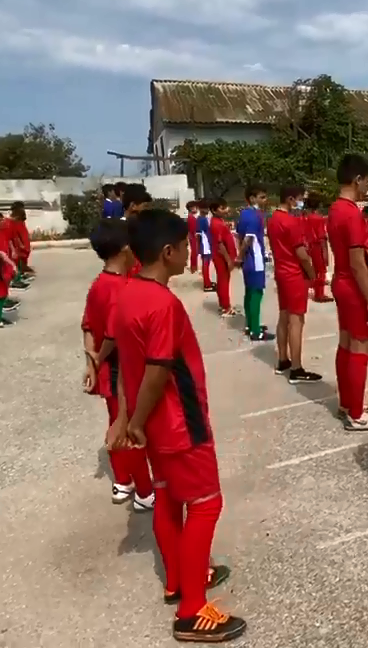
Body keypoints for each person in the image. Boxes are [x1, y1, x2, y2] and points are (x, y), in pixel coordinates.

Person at [109, 208, 245, 643]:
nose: (189, 252)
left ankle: (178, 580)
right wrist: (136, 420)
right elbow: (157, 368)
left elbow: (125, 363)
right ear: (167, 252)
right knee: (206, 504)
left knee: (168, 500)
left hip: (153, 427)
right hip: (179, 423)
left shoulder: (125, 293)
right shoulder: (162, 303)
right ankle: (192, 610)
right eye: (185, 246)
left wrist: (127, 420)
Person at [82, 219, 155, 512]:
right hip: (119, 369)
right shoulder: (120, 288)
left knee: (115, 421)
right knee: (128, 429)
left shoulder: (98, 284)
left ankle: (123, 481)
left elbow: (87, 326)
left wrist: (90, 360)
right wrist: (100, 356)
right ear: (126, 249)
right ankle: (146, 492)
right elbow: (113, 332)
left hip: (105, 369)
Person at [328, 154, 368, 431]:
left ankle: (347, 402)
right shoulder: (351, 213)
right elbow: (357, 262)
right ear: (357, 180)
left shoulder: (335, 209)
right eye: (367, 181)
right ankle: (356, 413)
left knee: (346, 343)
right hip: (353, 286)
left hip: (340, 282)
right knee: (360, 346)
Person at [268, 184, 322, 384]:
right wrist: (312, 273)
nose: (301, 203)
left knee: (284, 316)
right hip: (294, 274)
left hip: (281, 272)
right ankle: (297, 368)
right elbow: (301, 254)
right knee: (296, 321)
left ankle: (283, 359)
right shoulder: (291, 222)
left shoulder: (273, 220)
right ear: (291, 199)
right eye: (300, 198)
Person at [235, 184, 273, 342]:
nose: (265, 200)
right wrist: (240, 256)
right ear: (252, 198)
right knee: (257, 293)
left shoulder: (243, 214)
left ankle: (251, 325)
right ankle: (256, 332)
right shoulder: (253, 215)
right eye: (262, 197)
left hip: (249, 261)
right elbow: (247, 239)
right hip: (255, 259)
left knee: (249, 292)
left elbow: (238, 236)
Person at [208, 199, 237, 317]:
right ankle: (226, 307)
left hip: (221, 256)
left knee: (223, 280)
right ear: (214, 211)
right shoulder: (216, 224)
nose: (225, 210)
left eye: (225, 207)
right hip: (221, 257)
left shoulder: (219, 221)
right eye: (222, 208)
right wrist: (228, 260)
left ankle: (223, 304)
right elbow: (220, 245)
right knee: (224, 281)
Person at [303, 192, 331, 302]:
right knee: (320, 270)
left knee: (311, 269)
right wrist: (325, 252)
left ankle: (310, 289)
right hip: (316, 246)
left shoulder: (305, 217)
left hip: (307, 246)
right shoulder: (317, 219)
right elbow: (321, 237)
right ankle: (319, 294)